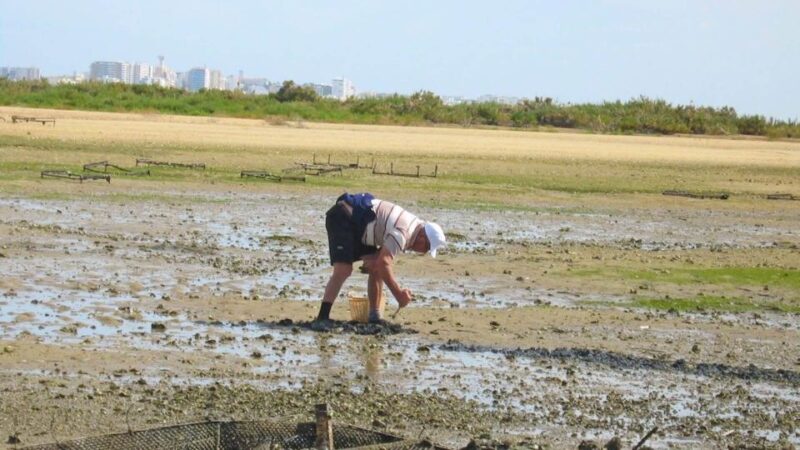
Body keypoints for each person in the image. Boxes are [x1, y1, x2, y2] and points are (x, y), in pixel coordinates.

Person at [315, 192, 446, 325]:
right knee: (343, 269)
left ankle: (374, 316)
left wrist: (377, 261)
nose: (423, 252)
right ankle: (322, 317)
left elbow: (380, 262)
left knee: (375, 266)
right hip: (344, 216)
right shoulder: (403, 232)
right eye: (426, 248)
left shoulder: (414, 226)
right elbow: (384, 263)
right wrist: (399, 294)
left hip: (363, 224)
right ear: (422, 237)